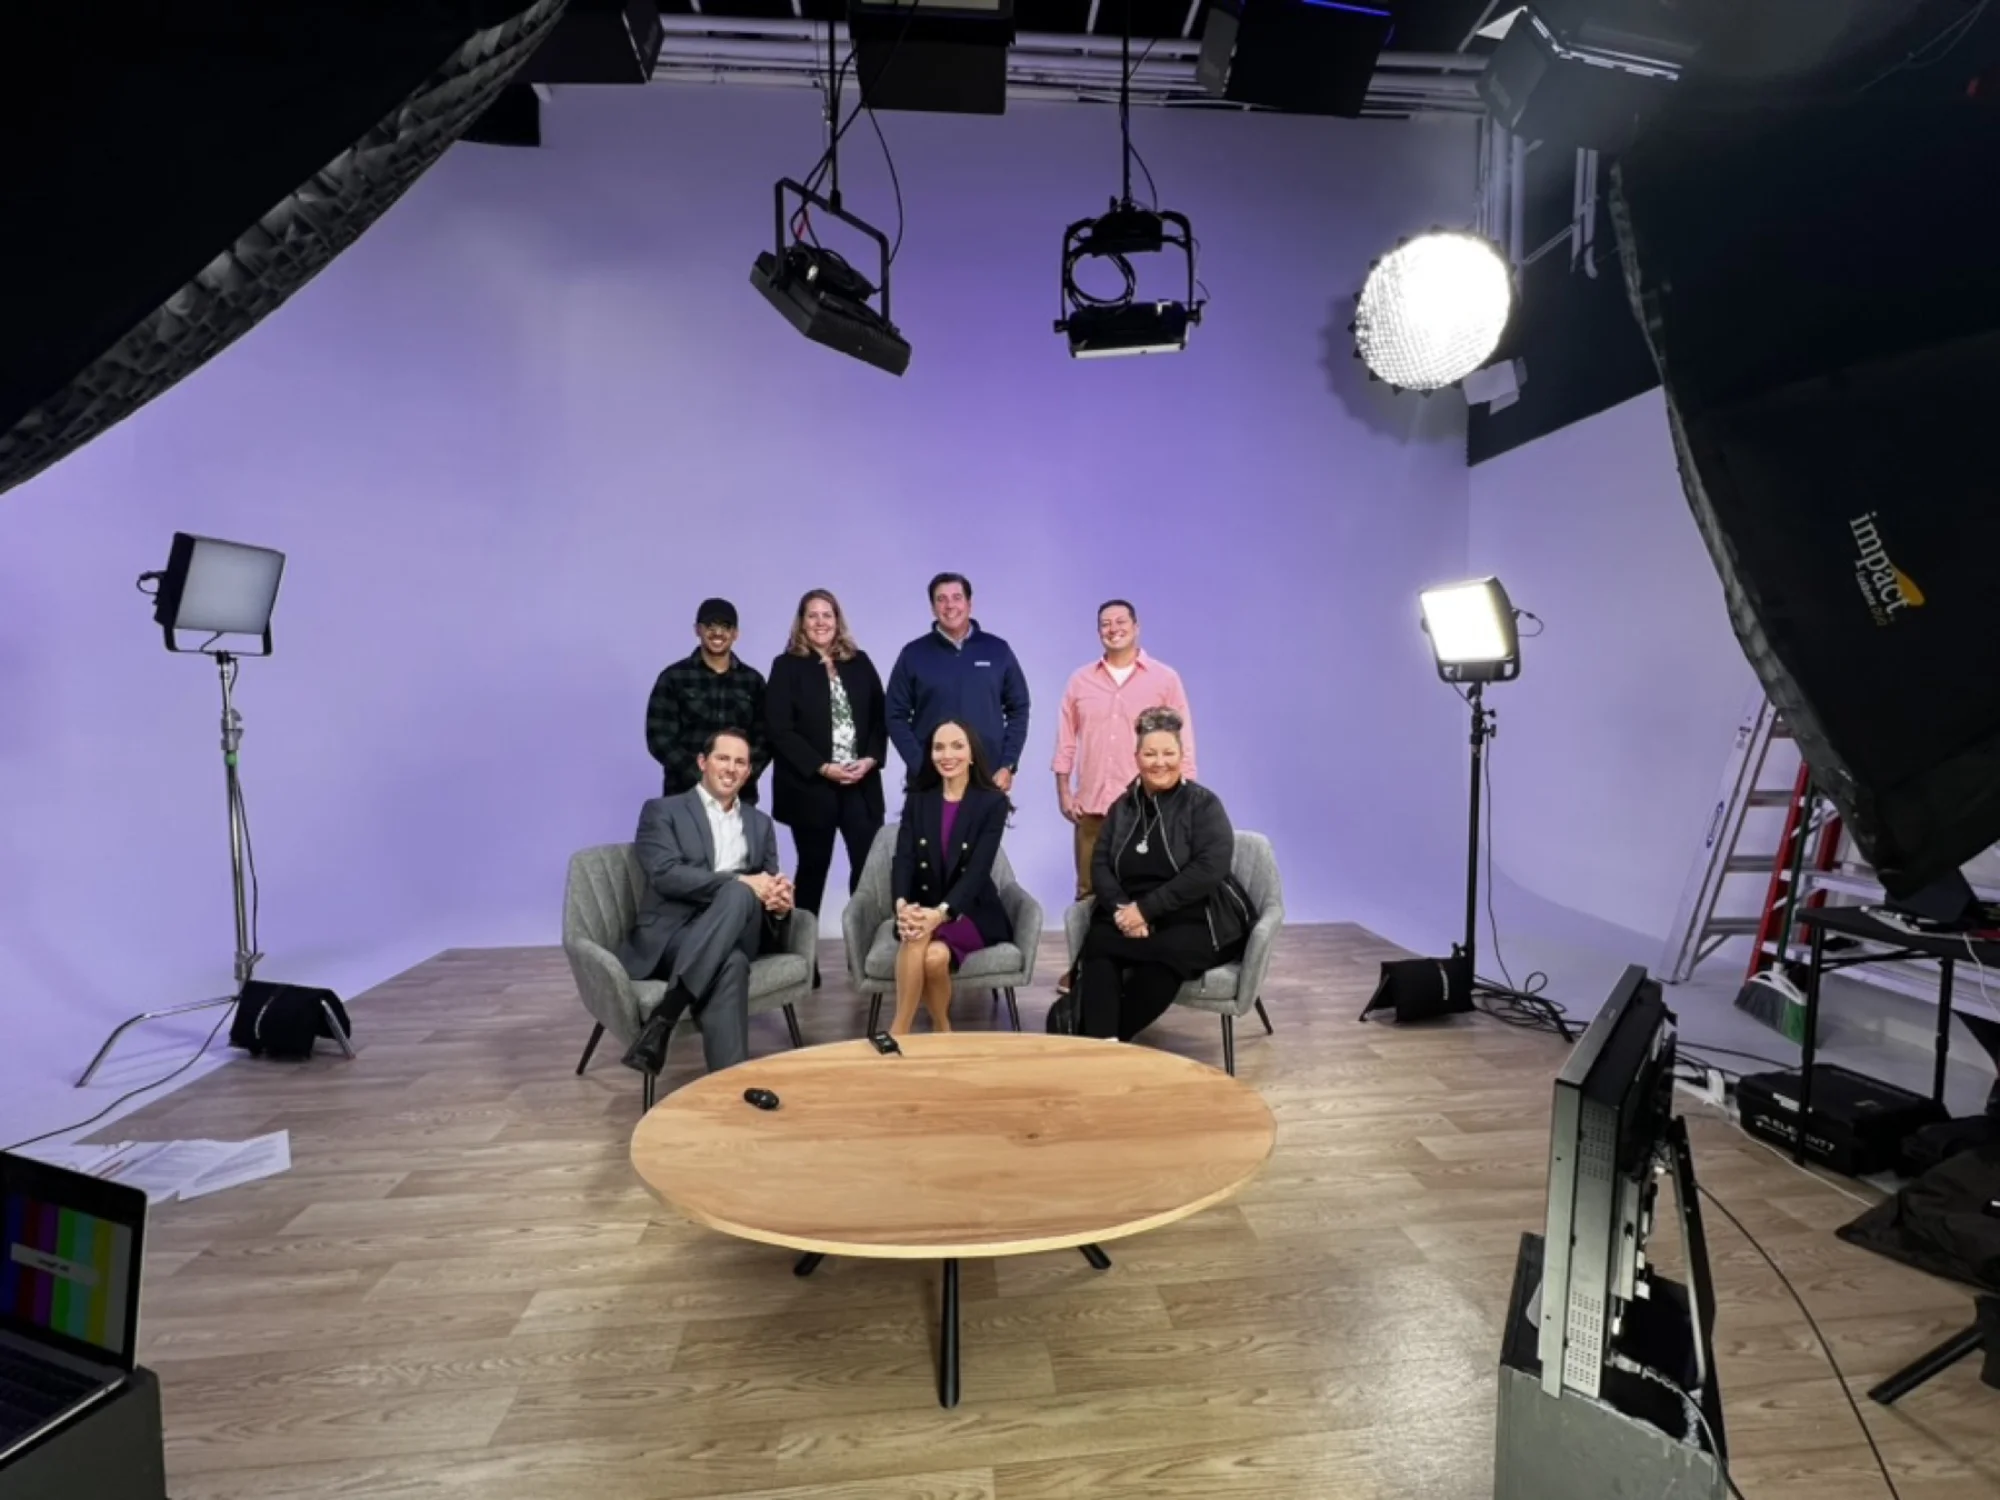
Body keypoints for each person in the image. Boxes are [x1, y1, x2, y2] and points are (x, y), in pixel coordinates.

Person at [617, 728, 795, 1078]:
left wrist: (778, 902)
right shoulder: (662, 811)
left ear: (748, 772)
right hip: (673, 935)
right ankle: (730, 1086)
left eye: (740, 762)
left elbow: (768, 883)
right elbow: (665, 874)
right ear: (703, 762)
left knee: (741, 894)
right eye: (722, 758)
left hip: (740, 925)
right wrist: (742, 881)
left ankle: (663, 1019)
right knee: (731, 963)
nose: (731, 768)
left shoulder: (760, 824)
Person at [1074, 707, 1247, 1044]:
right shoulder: (1122, 807)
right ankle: (1106, 1044)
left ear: (1182, 756)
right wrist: (1125, 910)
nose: (1159, 762)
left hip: (1192, 911)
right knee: (1099, 943)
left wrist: (1147, 911)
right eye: (1150, 754)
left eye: (1169, 753)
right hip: (1127, 909)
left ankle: (1098, 1040)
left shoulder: (1203, 805)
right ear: (1136, 757)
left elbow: (1209, 869)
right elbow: (1101, 865)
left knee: (1169, 956)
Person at [1053, 599, 1197, 900]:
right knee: (1088, 893)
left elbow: (1183, 740)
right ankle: (1088, 949)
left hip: (1149, 807)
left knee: (1147, 891)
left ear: (1136, 627)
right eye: (1105, 624)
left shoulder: (1164, 679)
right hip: (1092, 807)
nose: (1113, 628)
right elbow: (1066, 739)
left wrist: (1185, 797)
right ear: (1098, 632)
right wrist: (1065, 791)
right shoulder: (1080, 681)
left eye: (1120, 621)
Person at [765, 589, 887, 918]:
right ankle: (806, 962)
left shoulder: (859, 662)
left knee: (867, 872)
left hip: (860, 784)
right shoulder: (786, 666)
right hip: (811, 787)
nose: (821, 622)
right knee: (813, 870)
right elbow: (779, 730)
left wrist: (872, 758)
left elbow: (881, 716)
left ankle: (864, 958)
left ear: (837, 620)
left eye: (827, 615)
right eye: (812, 615)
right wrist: (821, 767)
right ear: (801, 623)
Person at [888, 719, 1014, 1034]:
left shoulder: (992, 802)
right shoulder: (920, 797)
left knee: (921, 941)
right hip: (923, 904)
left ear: (972, 754)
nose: (948, 754)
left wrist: (941, 915)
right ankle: (942, 1029)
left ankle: (898, 1032)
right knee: (932, 955)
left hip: (971, 910)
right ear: (930, 754)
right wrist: (902, 904)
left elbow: (977, 872)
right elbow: (903, 857)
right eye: (939, 747)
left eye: (957, 746)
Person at [885, 572, 1030, 794]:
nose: (949, 605)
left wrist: (1007, 764)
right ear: (933, 608)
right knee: (928, 831)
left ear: (969, 604)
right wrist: (920, 765)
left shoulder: (998, 650)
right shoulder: (913, 654)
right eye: (941, 599)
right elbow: (894, 714)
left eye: (956, 597)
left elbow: (1019, 708)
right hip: (931, 781)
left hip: (987, 777)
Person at [645, 597, 771, 804]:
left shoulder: (753, 681)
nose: (718, 633)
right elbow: (659, 738)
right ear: (697, 630)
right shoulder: (674, 677)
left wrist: (738, 775)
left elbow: (765, 738)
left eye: (725, 626)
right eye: (710, 626)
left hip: (739, 796)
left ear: (735, 634)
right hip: (683, 794)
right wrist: (702, 776)